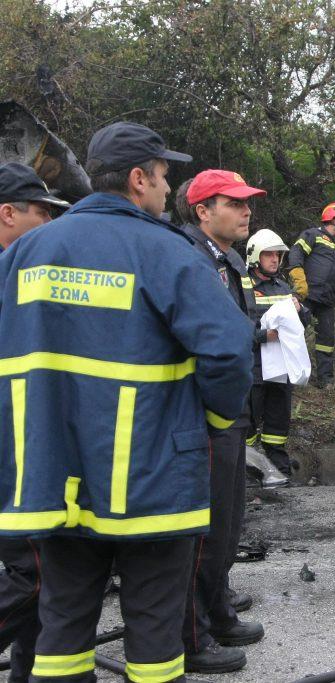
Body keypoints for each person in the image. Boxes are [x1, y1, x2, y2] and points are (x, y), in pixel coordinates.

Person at [0, 122, 253, 683]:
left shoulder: (27, 252)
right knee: (156, 638)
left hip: (51, 481)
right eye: (164, 179)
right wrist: (214, 418)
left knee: (60, 633)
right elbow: (230, 347)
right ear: (139, 179)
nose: (168, 192)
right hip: (150, 482)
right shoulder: (163, 250)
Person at [179, 169, 268, 673]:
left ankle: (217, 608)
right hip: (207, 412)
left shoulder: (227, 258)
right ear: (202, 210)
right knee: (206, 523)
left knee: (229, 520)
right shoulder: (191, 259)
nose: (246, 210)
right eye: (233, 203)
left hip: (231, 410)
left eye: (246, 202)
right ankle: (193, 630)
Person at [0, 162, 69, 683]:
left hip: (22, 451)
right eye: (42, 213)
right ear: (8, 213)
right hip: (13, 461)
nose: (50, 225)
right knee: (35, 576)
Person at [245, 228, 311, 477]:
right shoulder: (244, 288)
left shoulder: (283, 287)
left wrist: (300, 309)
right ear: (255, 257)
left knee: (277, 424)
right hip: (254, 369)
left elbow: (300, 325)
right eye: (269, 254)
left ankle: (279, 472)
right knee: (248, 426)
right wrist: (264, 336)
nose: (275, 259)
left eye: (278, 255)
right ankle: (248, 473)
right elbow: (236, 326)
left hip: (280, 370)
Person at [288, 202, 335, 386]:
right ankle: (292, 377)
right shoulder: (312, 235)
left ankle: (325, 380)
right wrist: (298, 278)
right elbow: (296, 253)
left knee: (326, 340)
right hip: (306, 296)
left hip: (327, 301)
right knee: (294, 334)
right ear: (333, 220)